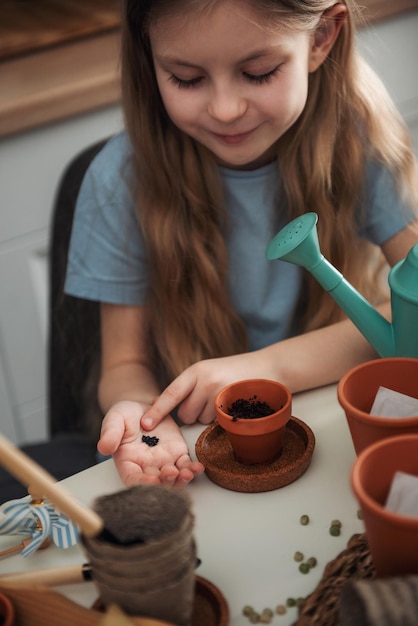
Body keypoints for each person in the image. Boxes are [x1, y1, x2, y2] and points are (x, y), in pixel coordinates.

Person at [64, 0, 418, 488]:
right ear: (149, 57)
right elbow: (124, 365)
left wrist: (264, 368)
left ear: (321, 38)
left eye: (258, 72)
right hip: (195, 444)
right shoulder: (118, 181)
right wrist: (142, 414)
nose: (226, 109)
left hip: (333, 424)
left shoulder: (361, 141)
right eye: (187, 79)